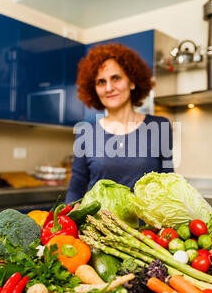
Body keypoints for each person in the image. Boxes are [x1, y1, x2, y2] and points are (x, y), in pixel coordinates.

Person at [65, 43, 174, 204]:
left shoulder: (160, 127)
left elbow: (169, 185)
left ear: (132, 82)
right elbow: (77, 187)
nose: (109, 88)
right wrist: (68, 220)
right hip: (100, 227)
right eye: (101, 82)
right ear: (94, 89)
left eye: (116, 78)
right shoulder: (85, 132)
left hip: (148, 228)